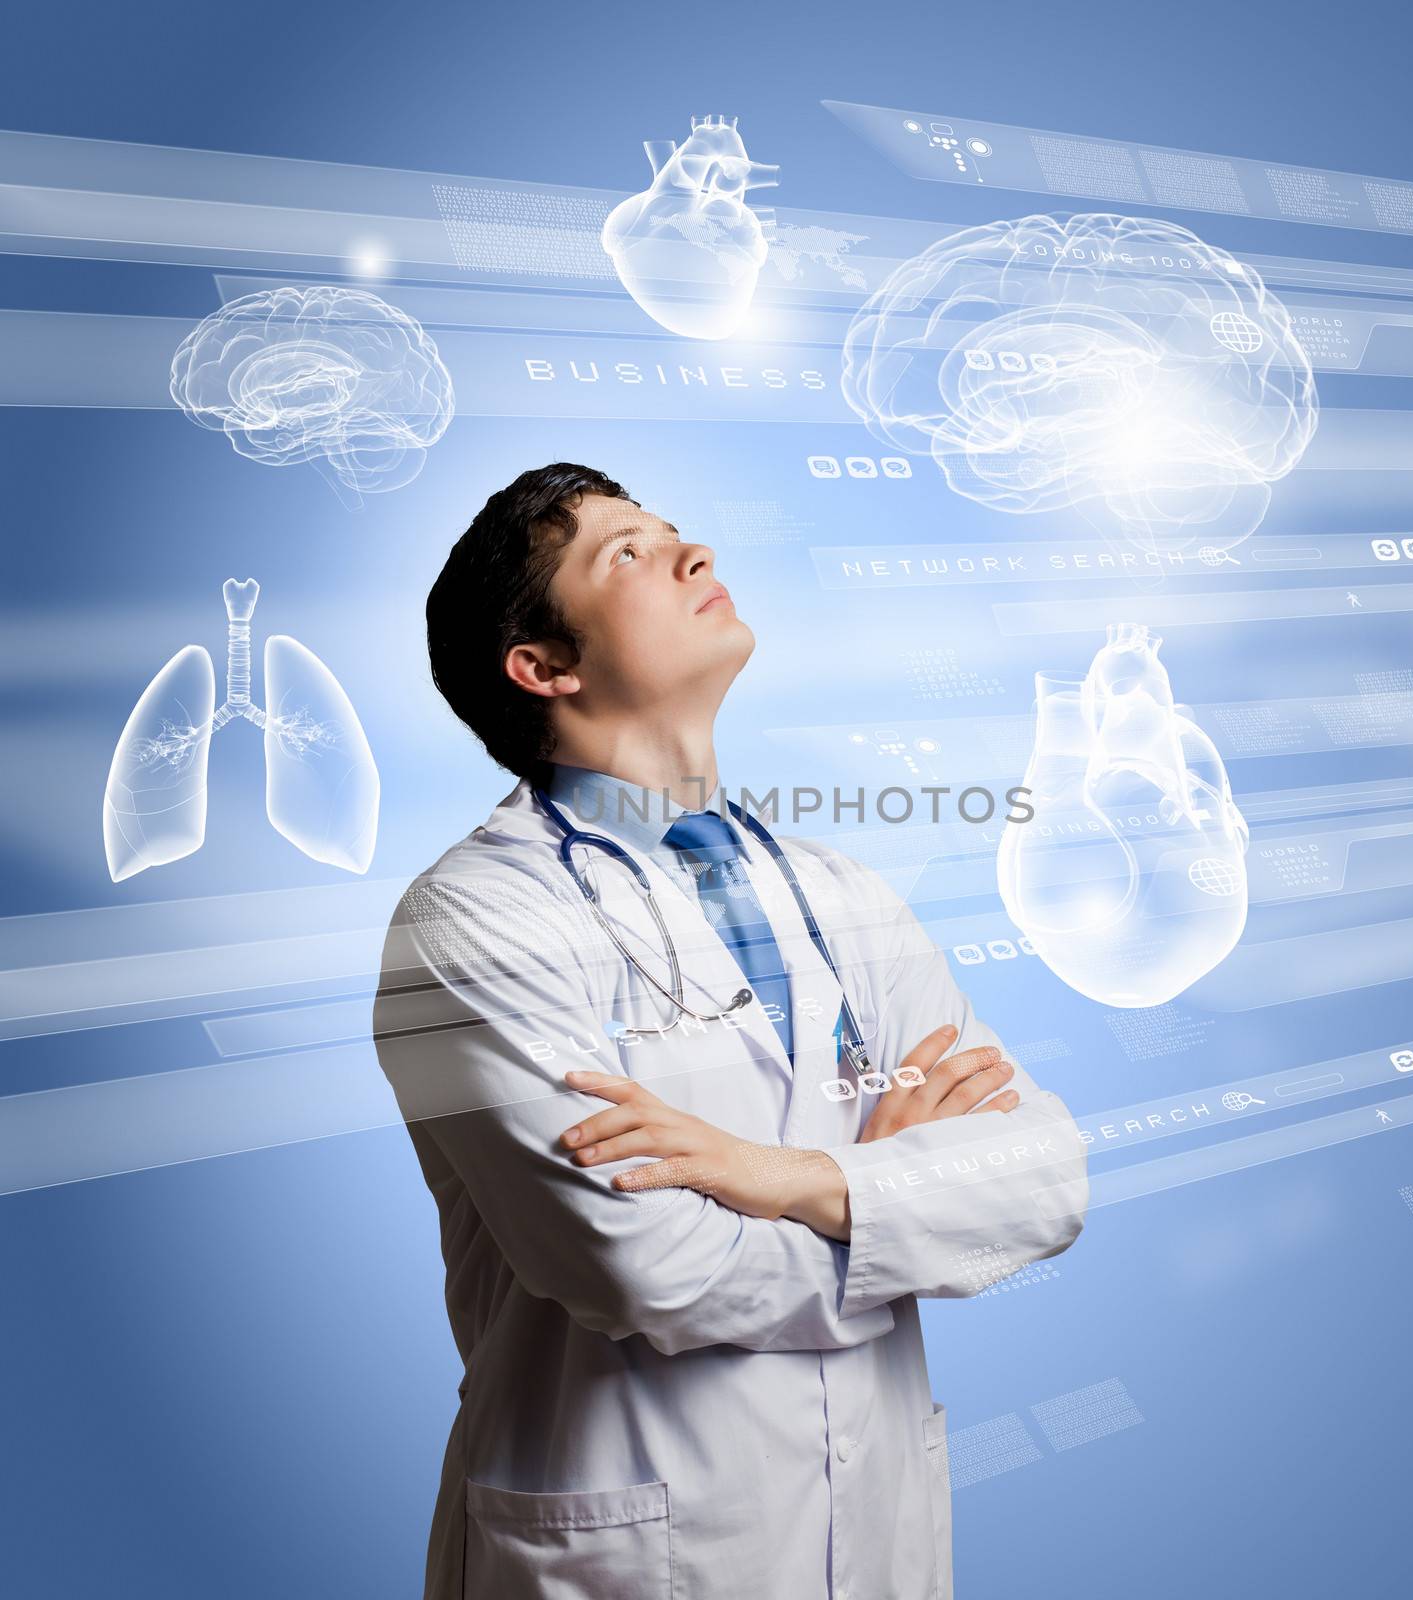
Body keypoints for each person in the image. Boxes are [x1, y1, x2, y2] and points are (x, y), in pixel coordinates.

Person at [372, 463, 1089, 1600]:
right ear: (545, 665)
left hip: (877, 1529)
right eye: (627, 553)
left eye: (678, 534)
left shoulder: (840, 888)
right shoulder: (471, 920)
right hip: (631, 1544)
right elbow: (644, 1269)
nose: (693, 555)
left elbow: (1044, 1176)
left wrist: (779, 1175)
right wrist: (898, 1192)